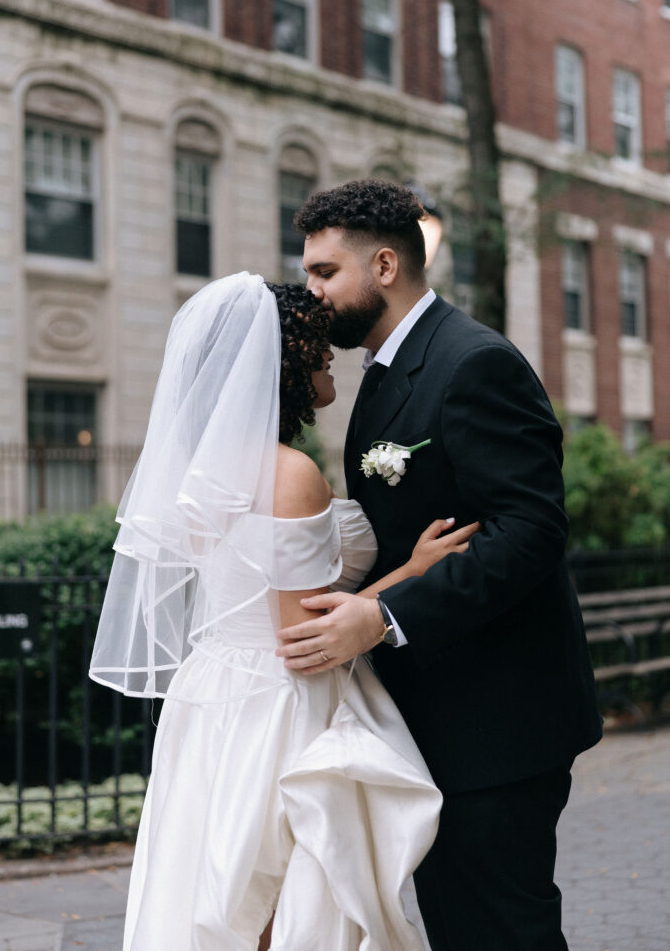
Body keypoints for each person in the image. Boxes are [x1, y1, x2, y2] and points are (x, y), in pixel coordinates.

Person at [89, 272, 479, 951]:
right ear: (282, 364)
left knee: (226, 890)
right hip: (277, 704)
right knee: (277, 897)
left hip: (214, 694)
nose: (329, 354)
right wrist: (410, 574)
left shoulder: (202, 470)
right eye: (315, 348)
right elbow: (304, 636)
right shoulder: (288, 473)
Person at [276, 179, 603, 951]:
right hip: (435, 717)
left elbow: (528, 531)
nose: (312, 292)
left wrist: (385, 616)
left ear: (384, 266)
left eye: (325, 273)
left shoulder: (473, 362)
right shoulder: (390, 370)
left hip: (498, 719)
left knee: (502, 930)